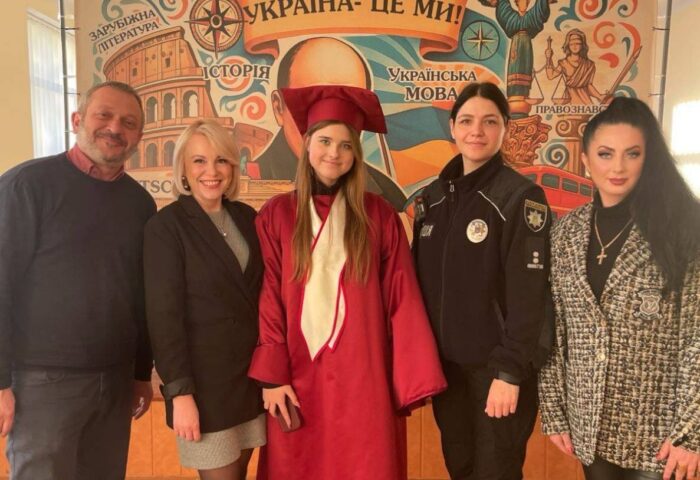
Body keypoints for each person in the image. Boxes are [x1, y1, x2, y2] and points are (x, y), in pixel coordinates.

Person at [248, 84, 447, 480]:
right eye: (325, 141)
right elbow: (269, 296)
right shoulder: (277, 215)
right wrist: (272, 375)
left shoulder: (379, 216)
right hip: (296, 374)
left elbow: (402, 299)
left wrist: (407, 377)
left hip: (364, 374)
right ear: (307, 143)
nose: (333, 153)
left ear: (356, 153)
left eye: (345, 145)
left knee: (364, 464)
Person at [538, 97, 700, 480]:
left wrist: (691, 431)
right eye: (606, 153)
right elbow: (554, 328)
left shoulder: (684, 227)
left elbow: (697, 337)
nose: (618, 167)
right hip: (590, 424)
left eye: (632, 154)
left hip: (661, 433)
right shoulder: (565, 232)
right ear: (585, 159)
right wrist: (554, 409)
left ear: (649, 158)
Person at [0, 81, 155, 480]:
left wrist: (141, 374)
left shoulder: (140, 204)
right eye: (104, 115)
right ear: (77, 119)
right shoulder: (26, 185)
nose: (115, 128)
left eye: (129, 122)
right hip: (42, 384)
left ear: (139, 135)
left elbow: (141, 296)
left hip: (115, 381)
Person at [413, 82, 552, 479]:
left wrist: (509, 372)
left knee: (496, 473)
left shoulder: (520, 197)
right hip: (448, 374)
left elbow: (530, 296)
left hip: (498, 373)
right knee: (460, 468)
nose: (477, 131)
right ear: (452, 127)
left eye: (490, 121)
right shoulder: (431, 199)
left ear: (505, 128)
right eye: (467, 121)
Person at [143, 120, 266, 480]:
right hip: (203, 389)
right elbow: (164, 317)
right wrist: (180, 394)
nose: (211, 171)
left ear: (233, 166)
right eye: (199, 161)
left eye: (221, 160)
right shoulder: (166, 227)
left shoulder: (247, 218)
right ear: (183, 167)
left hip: (249, 381)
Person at [251, 37, 408, 210]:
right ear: (278, 107)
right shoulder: (252, 189)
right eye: (312, 102)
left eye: (349, 104)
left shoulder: (387, 198)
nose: (331, 124)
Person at [545, 29, 605, 105]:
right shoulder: (564, 63)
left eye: (578, 43)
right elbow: (550, 76)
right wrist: (548, 58)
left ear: (582, 45)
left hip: (585, 100)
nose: (574, 46)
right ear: (568, 45)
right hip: (569, 100)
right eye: (572, 44)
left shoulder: (589, 65)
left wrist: (599, 96)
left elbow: (589, 85)